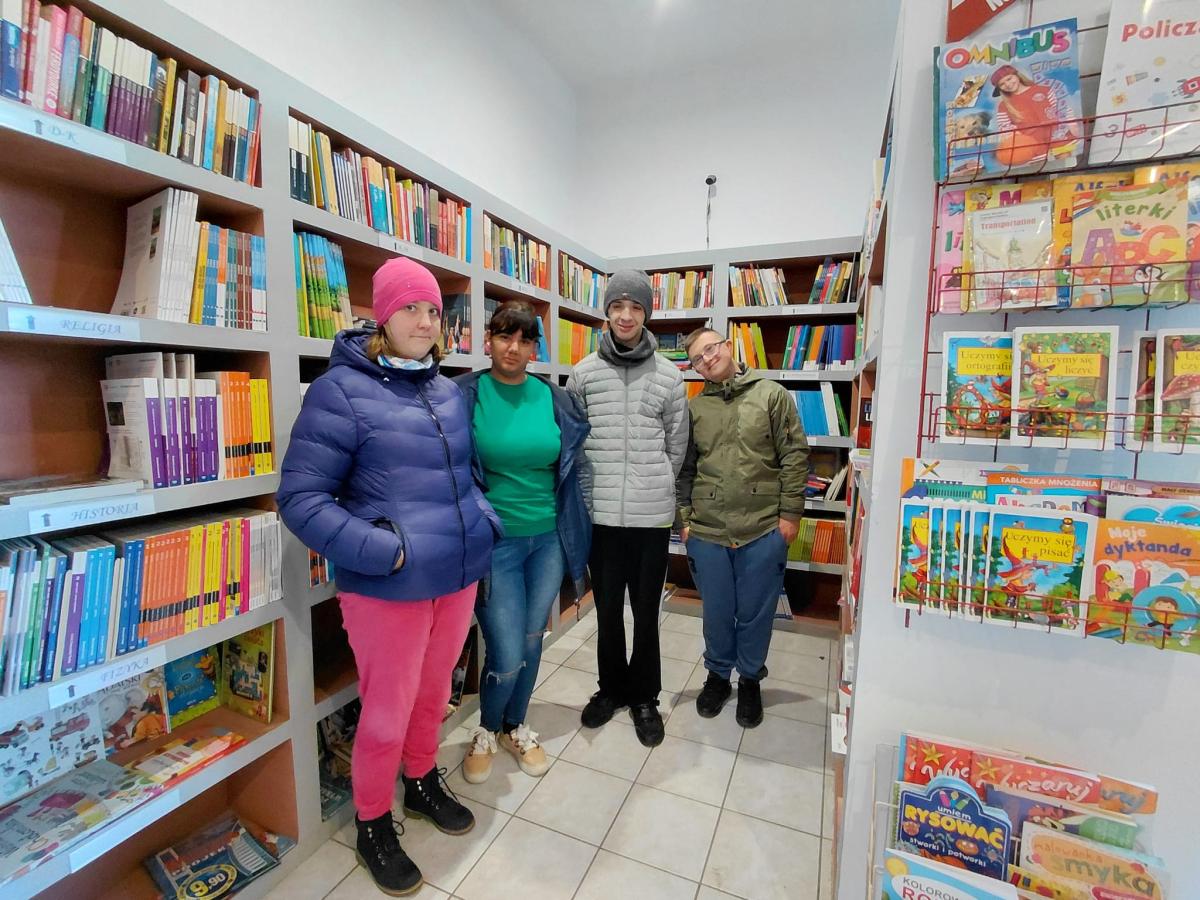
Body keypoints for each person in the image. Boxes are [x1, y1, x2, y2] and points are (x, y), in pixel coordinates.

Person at [277, 257, 500, 896]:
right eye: (411, 309)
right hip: (387, 586)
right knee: (386, 710)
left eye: (433, 311)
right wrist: (383, 552)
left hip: (456, 575)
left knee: (434, 693)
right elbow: (300, 498)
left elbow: (464, 477)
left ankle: (421, 778)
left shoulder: (446, 391)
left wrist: (482, 520)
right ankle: (373, 821)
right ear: (381, 315)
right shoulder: (339, 391)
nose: (426, 322)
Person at [452, 301, 591, 783]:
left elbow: (570, 469)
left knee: (532, 639)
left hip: (549, 538)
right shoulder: (462, 395)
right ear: (487, 340)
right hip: (496, 542)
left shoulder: (556, 399)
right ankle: (487, 729)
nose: (513, 348)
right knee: (507, 650)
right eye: (504, 336)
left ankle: (515, 725)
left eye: (525, 339)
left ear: (535, 348)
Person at [566, 270, 688, 747]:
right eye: (618, 305)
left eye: (636, 307)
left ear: (646, 314)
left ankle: (644, 697)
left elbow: (676, 446)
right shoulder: (583, 374)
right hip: (599, 518)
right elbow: (575, 444)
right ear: (607, 311)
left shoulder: (669, 376)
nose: (626, 315)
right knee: (608, 611)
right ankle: (611, 689)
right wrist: (588, 497)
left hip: (650, 518)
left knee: (645, 611)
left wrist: (654, 485)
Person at [676, 327, 809, 727]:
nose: (707, 359)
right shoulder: (694, 409)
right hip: (708, 531)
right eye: (698, 358)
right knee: (717, 612)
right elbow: (684, 469)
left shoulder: (771, 395)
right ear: (695, 368)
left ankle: (750, 679)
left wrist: (790, 516)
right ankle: (718, 676)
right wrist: (685, 521)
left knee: (755, 612)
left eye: (711, 348)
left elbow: (794, 456)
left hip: (763, 528)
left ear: (728, 346)